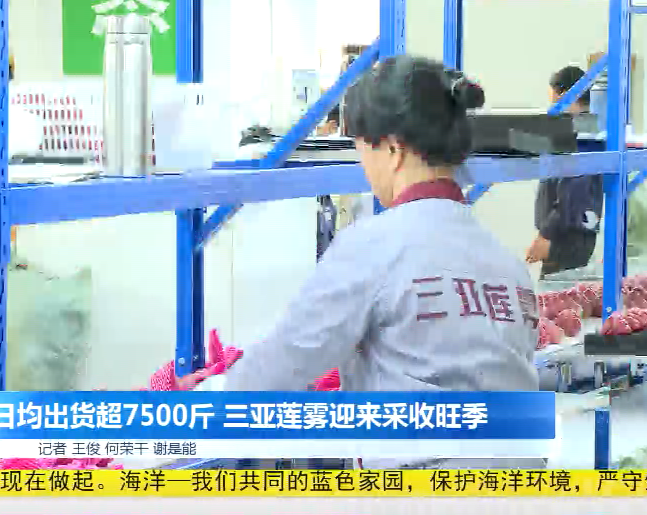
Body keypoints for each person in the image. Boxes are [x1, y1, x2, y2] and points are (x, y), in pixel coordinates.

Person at [195, 56, 542, 470]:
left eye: (363, 150)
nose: (365, 169)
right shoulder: (506, 261)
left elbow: (285, 363)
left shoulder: (374, 246)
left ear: (393, 150)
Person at [526, 66, 604, 277]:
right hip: (569, 236)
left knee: (558, 294)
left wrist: (546, 235)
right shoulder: (585, 132)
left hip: (566, 238)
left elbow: (573, 191)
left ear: (566, 95)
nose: (553, 109)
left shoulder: (582, 136)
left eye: (555, 101)